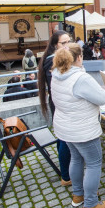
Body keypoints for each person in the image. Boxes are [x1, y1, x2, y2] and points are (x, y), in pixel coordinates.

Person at [51, 43, 105, 208]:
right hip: (82, 129)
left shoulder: (57, 75)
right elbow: (101, 98)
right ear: (78, 58)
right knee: (93, 163)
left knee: (76, 159)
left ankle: (78, 195)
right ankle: (91, 204)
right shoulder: (80, 78)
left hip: (65, 128)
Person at [38, 30, 73, 186]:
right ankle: (66, 176)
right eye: (63, 43)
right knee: (65, 139)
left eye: (69, 42)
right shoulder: (52, 61)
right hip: (60, 104)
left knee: (62, 137)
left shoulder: (53, 59)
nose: (67, 46)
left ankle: (65, 169)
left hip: (58, 103)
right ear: (54, 45)